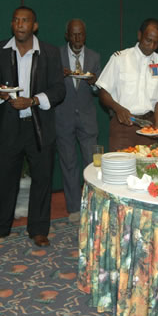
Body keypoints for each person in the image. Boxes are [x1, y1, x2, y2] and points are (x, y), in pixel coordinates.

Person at [0, 6, 65, 247]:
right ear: (12, 24)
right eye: (16, 20)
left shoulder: (49, 52)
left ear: (34, 26)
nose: (20, 24)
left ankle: (39, 229)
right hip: (10, 126)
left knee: (42, 178)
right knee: (4, 179)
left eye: (25, 21)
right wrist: (3, 95)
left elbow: (59, 90)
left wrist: (33, 100)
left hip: (40, 126)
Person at [97, 18, 158, 151]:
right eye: (148, 40)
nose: (151, 46)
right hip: (122, 126)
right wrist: (118, 108)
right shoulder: (120, 59)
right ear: (139, 35)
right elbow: (103, 91)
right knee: (121, 169)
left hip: (148, 127)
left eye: (156, 43)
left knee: (148, 169)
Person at [55, 19, 101, 223]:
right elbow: (48, 84)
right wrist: (57, 75)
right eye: (73, 34)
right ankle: (74, 208)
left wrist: (94, 82)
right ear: (67, 35)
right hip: (63, 117)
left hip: (87, 118)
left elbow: (99, 89)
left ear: (85, 35)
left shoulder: (94, 57)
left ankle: (94, 206)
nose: (77, 38)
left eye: (80, 34)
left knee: (91, 164)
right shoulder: (56, 55)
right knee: (69, 164)